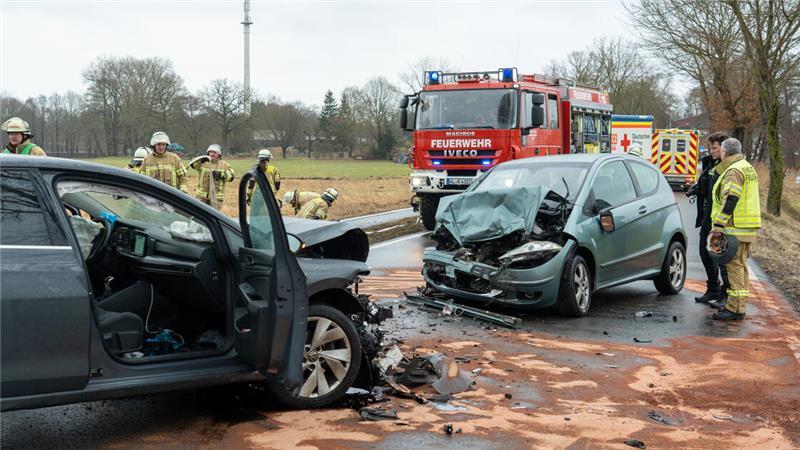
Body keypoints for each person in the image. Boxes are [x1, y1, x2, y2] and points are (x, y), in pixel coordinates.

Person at [709, 137, 761, 321]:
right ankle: (740, 305)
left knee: (734, 267)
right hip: (747, 226)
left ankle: (734, 308)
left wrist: (718, 225)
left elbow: (730, 199)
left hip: (734, 226)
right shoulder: (747, 166)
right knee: (742, 266)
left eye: (721, 150)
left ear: (726, 152)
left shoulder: (733, 171)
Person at [689, 132, 731, 304]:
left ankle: (726, 294)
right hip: (708, 216)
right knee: (705, 253)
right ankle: (713, 288)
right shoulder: (710, 164)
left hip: (720, 220)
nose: (711, 151)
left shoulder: (728, 167)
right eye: (710, 147)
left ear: (724, 148)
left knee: (721, 256)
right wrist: (696, 188)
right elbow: (707, 184)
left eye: (714, 148)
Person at [189, 144, 235, 210]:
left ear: (219, 154)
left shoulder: (224, 165)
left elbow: (231, 177)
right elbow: (193, 165)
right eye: (210, 152)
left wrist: (220, 174)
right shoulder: (203, 163)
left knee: (213, 217)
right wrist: (201, 160)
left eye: (214, 152)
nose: (212, 154)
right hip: (201, 196)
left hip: (216, 198)